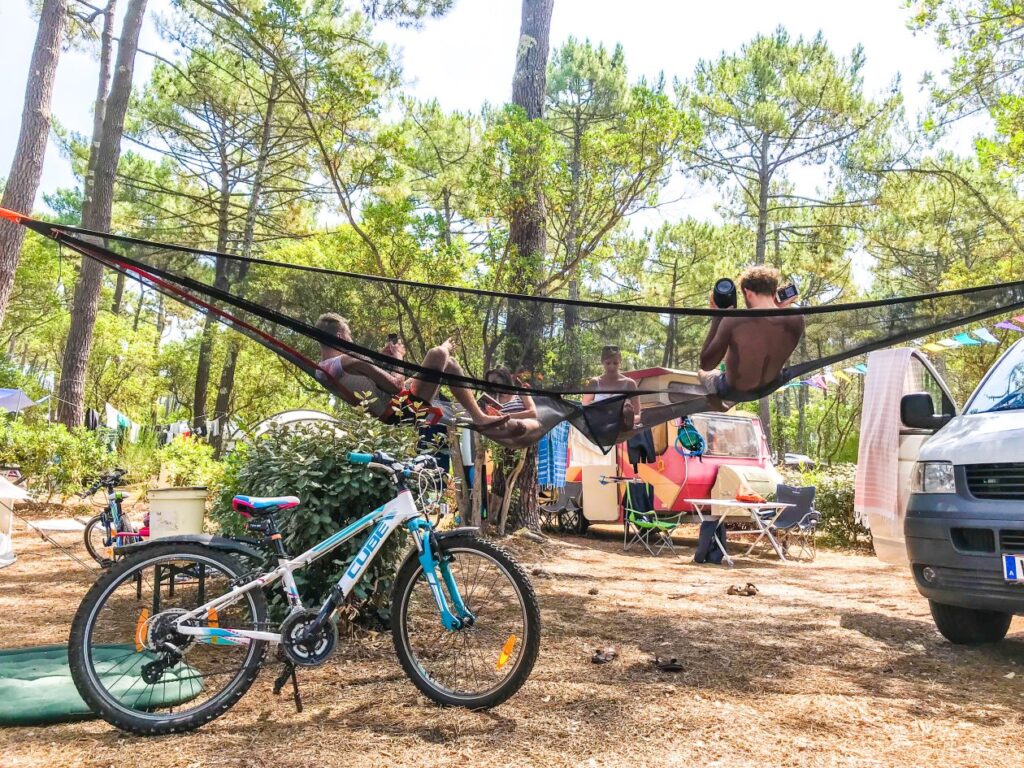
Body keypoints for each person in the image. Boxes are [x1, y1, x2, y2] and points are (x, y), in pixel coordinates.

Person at [314, 313, 517, 433]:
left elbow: (368, 381)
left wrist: (382, 358)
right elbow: (396, 385)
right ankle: (478, 415)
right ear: (340, 336)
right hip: (400, 409)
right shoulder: (348, 360)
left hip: (394, 405)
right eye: (349, 336)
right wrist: (398, 357)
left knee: (450, 363)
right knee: (438, 353)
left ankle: (478, 415)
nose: (351, 340)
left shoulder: (323, 367)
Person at [697, 265, 804, 410]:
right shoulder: (796, 318)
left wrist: (717, 319)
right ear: (774, 292)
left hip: (734, 390)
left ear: (748, 293)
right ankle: (729, 401)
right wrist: (776, 307)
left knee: (704, 373)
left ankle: (723, 402)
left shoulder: (734, 321)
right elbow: (768, 326)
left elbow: (706, 364)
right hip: (771, 384)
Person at [582, 346, 640, 428]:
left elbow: (638, 415)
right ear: (602, 362)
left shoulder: (630, 384)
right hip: (599, 428)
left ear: (620, 362)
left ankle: (624, 421)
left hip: (621, 429)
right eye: (608, 363)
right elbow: (584, 408)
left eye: (615, 363)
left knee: (626, 409)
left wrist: (628, 417)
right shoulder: (594, 383)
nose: (612, 367)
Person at [482, 366, 544, 434]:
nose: (493, 385)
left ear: (505, 378)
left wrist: (506, 416)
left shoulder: (521, 392)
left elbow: (533, 413)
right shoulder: (493, 400)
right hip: (504, 435)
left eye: (495, 381)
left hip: (526, 430)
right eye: (490, 384)